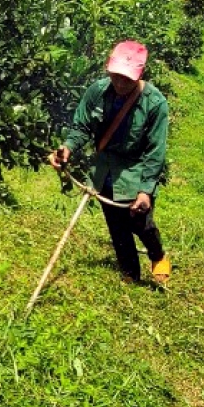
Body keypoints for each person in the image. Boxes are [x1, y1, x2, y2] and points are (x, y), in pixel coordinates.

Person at [48, 41, 171, 286]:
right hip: (104, 168)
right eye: (115, 76)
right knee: (116, 226)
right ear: (108, 68)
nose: (120, 83)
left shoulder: (155, 103)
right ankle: (130, 275)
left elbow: (155, 151)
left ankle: (157, 255)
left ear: (140, 75)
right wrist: (67, 148)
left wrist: (145, 191)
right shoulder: (97, 91)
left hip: (136, 169)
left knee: (139, 221)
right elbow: (81, 127)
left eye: (127, 79)